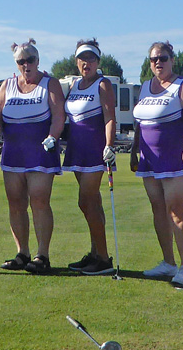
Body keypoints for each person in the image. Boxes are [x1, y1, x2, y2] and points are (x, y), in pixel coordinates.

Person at [0, 38, 65, 274]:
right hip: (13, 154)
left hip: (41, 152)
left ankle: (43, 255)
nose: (26, 65)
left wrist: (53, 136)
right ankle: (22, 253)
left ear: (38, 61)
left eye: (30, 60)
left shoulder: (50, 84)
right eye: (21, 61)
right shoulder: (7, 85)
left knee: (39, 201)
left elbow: (58, 115)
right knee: (15, 203)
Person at [130, 41, 183, 286]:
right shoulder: (144, 87)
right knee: (158, 210)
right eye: (153, 59)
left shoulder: (182, 86)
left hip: (177, 158)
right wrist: (134, 151)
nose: (158, 63)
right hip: (149, 160)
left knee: (176, 211)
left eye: (163, 58)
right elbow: (139, 125)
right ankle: (167, 262)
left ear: (172, 60)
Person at [63, 38, 116, 275]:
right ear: (76, 61)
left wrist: (109, 145)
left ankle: (103, 258)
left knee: (86, 201)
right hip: (77, 149)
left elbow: (109, 117)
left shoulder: (102, 85)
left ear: (98, 61)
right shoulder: (74, 85)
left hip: (95, 150)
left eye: (91, 59)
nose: (87, 63)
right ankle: (95, 253)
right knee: (93, 203)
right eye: (83, 59)